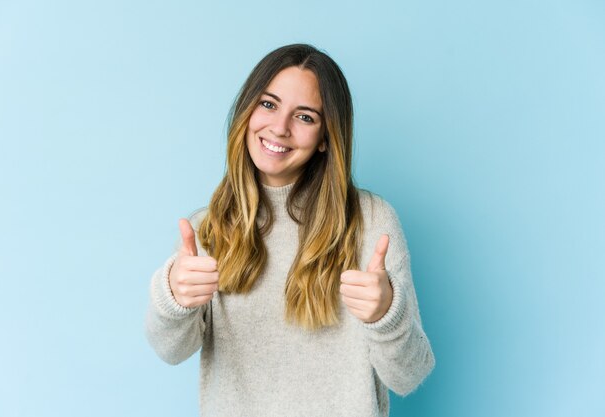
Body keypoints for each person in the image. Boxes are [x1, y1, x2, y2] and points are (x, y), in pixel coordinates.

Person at [145, 43, 435, 417]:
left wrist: (385, 314)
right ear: (246, 112)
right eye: (268, 104)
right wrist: (173, 297)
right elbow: (170, 350)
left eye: (305, 117)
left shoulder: (371, 221)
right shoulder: (209, 227)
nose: (279, 128)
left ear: (326, 138)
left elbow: (409, 376)